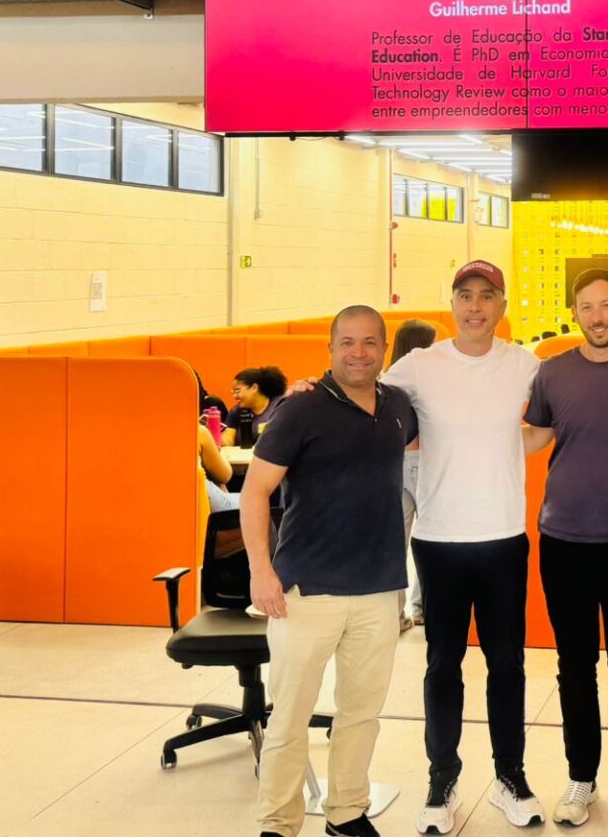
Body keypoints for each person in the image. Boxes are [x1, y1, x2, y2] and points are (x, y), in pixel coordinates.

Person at [241, 305, 418, 837]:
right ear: (330, 348)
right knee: (290, 717)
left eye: (369, 342)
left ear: (384, 349)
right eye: (347, 342)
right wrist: (260, 571)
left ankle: (346, 812)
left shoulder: (399, 407)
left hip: (379, 588)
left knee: (361, 713)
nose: (358, 352)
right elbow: (255, 491)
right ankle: (278, 822)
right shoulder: (300, 411)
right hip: (305, 589)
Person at [383, 260, 546, 833]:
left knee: (508, 665)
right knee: (441, 666)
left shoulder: (525, 364)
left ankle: (510, 778)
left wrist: (512, 442)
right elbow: (363, 397)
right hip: (440, 540)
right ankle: (441, 780)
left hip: (503, 537)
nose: (475, 306)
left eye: (487, 296)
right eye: (464, 295)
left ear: (502, 305)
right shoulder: (421, 366)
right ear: (452, 305)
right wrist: (311, 386)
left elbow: (551, 419)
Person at [521, 269, 608, 830]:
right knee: (574, 665)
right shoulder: (551, 372)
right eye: (587, 307)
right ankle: (581, 778)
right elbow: (532, 436)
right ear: (575, 312)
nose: (599, 316)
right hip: (565, 541)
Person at [390, 320, 438, 633]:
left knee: (397, 541)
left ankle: (395, 614)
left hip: (392, 464)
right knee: (431, 538)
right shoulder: (427, 378)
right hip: (424, 461)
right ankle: (424, 608)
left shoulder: (389, 379)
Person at [228, 366, 288, 447]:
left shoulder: (281, 406)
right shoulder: (236, 412)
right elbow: (228, 439)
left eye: (237, 390)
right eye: (233, 391)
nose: (234, 396)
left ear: (254, 388)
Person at [198, 422, 237, 513]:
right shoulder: (199, 432)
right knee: (260, 505)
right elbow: (225, 475)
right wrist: (215, 449)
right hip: (202, 505)